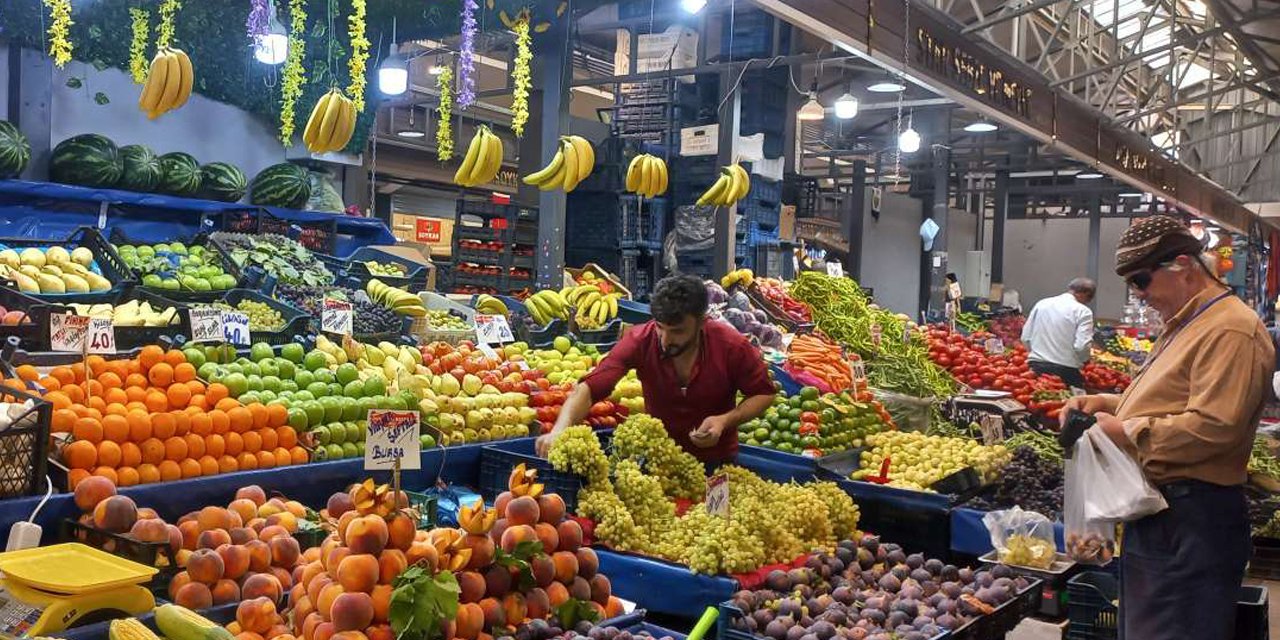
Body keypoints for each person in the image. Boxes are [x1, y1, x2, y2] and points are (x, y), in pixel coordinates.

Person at [1062, 215, 1274, 640]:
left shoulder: (1230, 329)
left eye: (1142, 281)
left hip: (1192, 517)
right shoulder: (1188, 322)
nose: (1140, 296)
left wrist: (1128, 432)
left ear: (1183, 265)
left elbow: (1215, 426)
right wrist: (1108, 403)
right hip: (1162, 513)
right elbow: (1170, 401)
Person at [535, 274, 776, 464]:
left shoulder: (730, 345)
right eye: (661, 327)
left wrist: (725, 420)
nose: (665, 339)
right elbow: (589, 387)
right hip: (660, 461)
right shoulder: (641, 340)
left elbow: (764, 392)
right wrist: (559, 429)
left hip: (718, 460)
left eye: (678, 331)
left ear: (702, 322)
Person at [1020, 278, 1096, 388]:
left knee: (1037, 400)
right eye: (1088, 299)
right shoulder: (1083, 311)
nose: (1087, 303)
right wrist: (1084, 360)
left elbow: (1025, 337)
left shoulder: (1042, 304)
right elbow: (1081, 346)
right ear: (1086, 294)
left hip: (1035, 367)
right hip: (1066, 371)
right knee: (1068, 403)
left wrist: (1037, 353)